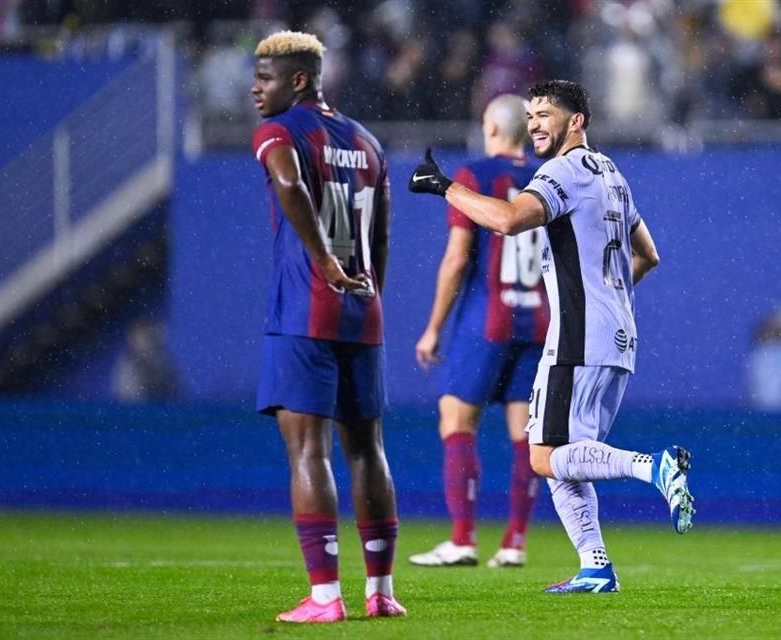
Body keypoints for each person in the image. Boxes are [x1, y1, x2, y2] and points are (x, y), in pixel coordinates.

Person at [409, 79, 695, 594]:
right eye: (531, 115)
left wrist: (443, 186)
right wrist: (608, 293)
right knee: (567, 456)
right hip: (615, 334)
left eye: (546, 114)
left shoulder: (561, 171)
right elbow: (648, 255)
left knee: (544, 455)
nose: (536, 123)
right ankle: (595, 567)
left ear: (576, 121)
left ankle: (653, 467)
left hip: (578, 335)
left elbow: (509, 219)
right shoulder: (611, 174)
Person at [249, 30, 405, 622]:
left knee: (307, 449)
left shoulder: (279, 131)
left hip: (304, 311)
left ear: (297, 80)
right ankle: (381, 591)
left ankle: (324, 598)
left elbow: (289, 184)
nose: (254, 89)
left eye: (264, 79)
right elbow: (384, 234)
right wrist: (371, 296)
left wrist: (322, 261)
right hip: (362, 311)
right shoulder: (368, 143)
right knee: (367, 450)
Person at [409, 94, 546, 569]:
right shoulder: (546, 179)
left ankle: (463, 538)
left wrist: (432, 328)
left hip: (487, 318)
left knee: (457, 421)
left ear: (491, 127)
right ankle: (514, 542)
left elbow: (457, 257)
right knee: (524, 436)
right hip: (538, 320)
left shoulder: (473, 175)